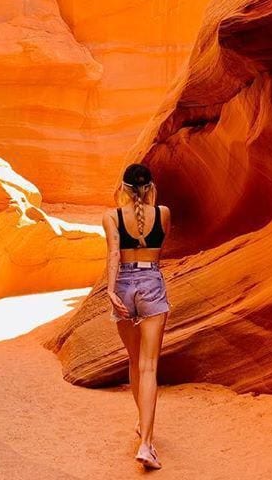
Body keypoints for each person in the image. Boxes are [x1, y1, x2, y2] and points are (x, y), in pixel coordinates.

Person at [103, 162, 171, 470]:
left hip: (124, 286)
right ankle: (146, 442)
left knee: (134, 361)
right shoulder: (163, 214)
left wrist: (111, 290)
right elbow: (159, 246)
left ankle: (143, 426)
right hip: (151, 282)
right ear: (151, 188)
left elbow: (114, 253)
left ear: (123, 189)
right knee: (149, 366)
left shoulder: (112, 217)